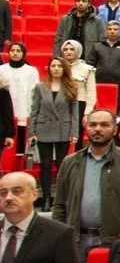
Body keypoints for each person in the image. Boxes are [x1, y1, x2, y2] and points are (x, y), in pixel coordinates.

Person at [51, 108, 120, 263]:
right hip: (76, 240)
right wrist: (60, 238)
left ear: (115, 129)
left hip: (114, 241)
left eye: (104, 125)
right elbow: (59, 205)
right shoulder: (70, 162)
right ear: (86, 128)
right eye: (93, 124)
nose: (97, 129)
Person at [29, 58, 76, 209]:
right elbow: (34, 111)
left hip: (64, 127)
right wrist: (32, 132)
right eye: (53, 66)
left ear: (64, 69)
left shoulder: (71, 86)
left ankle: (60, 198)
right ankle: (47, 198)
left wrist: (74, 132)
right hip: (44, 128)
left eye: (59, 66)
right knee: (45, 165)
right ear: (48, 68)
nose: (56, 68)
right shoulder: (40, 87)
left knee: (62, 165)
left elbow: (74, 113)